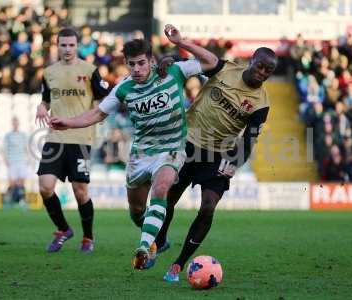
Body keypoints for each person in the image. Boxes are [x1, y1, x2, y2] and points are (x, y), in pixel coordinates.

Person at [49, 24, 219, 269]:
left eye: (141, 63)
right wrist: (67, 122)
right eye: (132, 64)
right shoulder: (124, 88)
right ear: (126, 64)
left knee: (161, 189)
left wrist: (181, 43)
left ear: (151, 60)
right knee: (136, 211)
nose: (137, 69)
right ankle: (156, 240)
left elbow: (212, 61)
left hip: (172, 148)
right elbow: (97, 113)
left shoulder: (175, 71)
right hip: (141, 154)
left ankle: (144, 247)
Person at [154, 47, 277, 282]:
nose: (262, 72)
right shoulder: (225, 68)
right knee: (169, 196)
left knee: (208, 206)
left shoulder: (262, 103)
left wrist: (235, 163)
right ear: (252, 61)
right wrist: (174, 59)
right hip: (188, 142)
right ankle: (160, 240)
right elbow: (195, 64)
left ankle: (178, 265)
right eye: (260, 66)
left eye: (268, 71)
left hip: (219, 154)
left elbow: (250, 139)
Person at [35, 28, 110, 253]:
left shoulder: (90, 70)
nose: (67, 49)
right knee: (45, 187)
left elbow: (103, 98)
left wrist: (94, 119)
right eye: (63, 45)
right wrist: (41, 107)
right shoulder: (49, 73)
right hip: (55, 137)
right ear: (57, 46)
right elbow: (46, 100)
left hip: (80, 138)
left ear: (77, 46)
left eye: (71, 45)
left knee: (80, 192)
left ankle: (88, 237)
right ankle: (63, 229)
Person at [3, 117, 29, 205]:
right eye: (14, 122)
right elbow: (4, 149)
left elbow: (26, 148)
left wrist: (28, 159)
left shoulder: (23, 135)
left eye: (16, 122)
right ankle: (7, 199)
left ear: (18, 123)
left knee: (22, 182)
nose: (15, 124)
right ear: (12, 124)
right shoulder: (8, 135)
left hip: (21, 161)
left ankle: (22, 200)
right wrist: (5, 160)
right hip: (12, 161)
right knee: (12, 183)